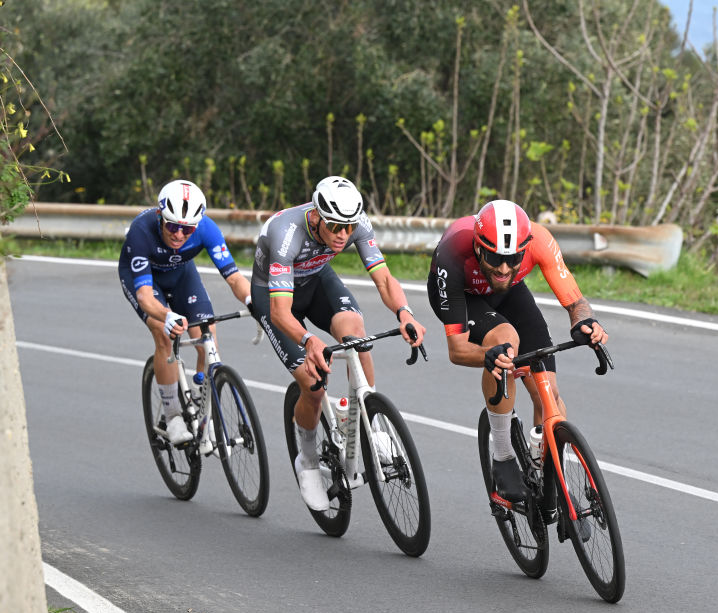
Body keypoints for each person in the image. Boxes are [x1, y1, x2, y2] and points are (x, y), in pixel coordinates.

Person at [249, 175, 426, 511]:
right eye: (335, 227)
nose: (343, 236)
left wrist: (405, 312)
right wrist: (309, 339)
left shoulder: (354, 222)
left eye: (348, 227)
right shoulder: (285, 234)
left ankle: (370, 427)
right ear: (316, 216)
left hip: (315, 282)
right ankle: (309, 460)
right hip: (274, 298)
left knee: (357, 335)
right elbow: (280, 311)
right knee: (313, 384)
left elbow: (385, 278)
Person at [426, 199, 607, 505]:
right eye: (495, 257)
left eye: (513, 259)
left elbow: (576, 304)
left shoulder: (538, 240)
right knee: (505, 342)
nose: (504, 267)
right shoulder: (454, 253)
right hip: (464, 296)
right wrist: (489, 355)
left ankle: (548, 470)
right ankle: (502, 454)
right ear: (479, 247)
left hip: (509, 293)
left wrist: (585, 322)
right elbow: (457, 350)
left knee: (547, 393)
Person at [119, 179, 251, 445]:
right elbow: (144, 296)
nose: (179, 235)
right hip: (147, 283)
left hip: (182, 277)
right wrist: (167, 316)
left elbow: (235, 278)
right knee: (164, 336)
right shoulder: (141, 231)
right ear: (160, 217)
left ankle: (203, 411)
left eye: (187, 229)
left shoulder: (207, 228)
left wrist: (253, 301)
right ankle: (173, 416)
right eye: (173, 226)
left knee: (208, 339)